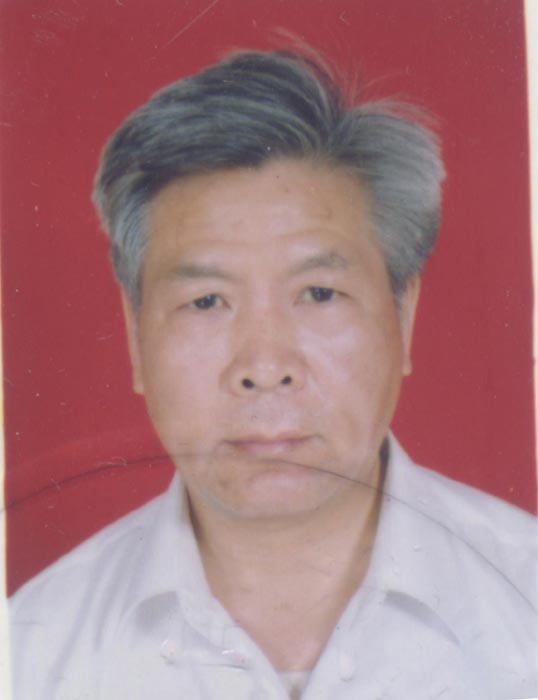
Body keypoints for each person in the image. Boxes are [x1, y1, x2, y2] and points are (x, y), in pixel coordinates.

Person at [9, 49, 537, 700]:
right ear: (135, 335)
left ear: (403, 315)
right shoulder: (32, 652)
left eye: (319, 293)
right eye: (206, 301)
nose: (264, 368)